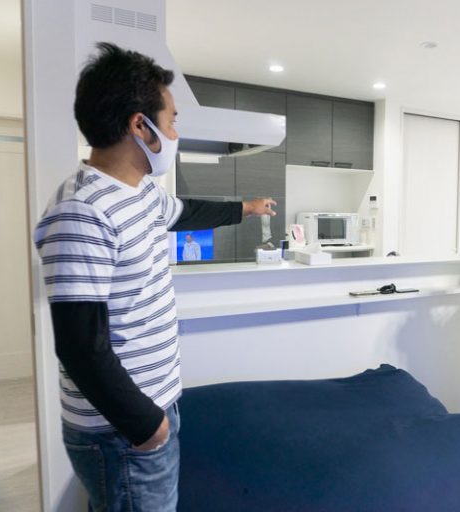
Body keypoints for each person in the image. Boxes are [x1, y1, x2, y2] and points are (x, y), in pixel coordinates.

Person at [32, 42, 276, 511]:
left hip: (148, 413)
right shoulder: (83, 211)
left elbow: (187, 212)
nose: (176, 132)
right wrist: (147, 425)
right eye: (173, 120)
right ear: (140, 126)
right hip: (122, 432)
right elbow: (81, 346)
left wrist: (247, 207)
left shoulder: (141, 192)